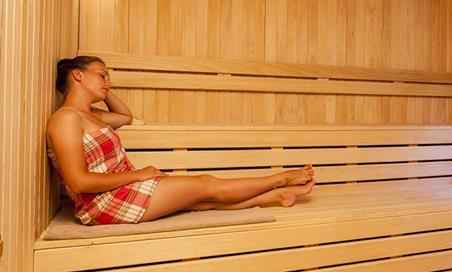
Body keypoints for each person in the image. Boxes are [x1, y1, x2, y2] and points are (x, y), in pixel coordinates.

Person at [46, 56, 315, 225]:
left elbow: (125, 116)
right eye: (102, 75)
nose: (108, 81)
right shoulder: (66, 119)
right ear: (78, 75)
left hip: (122, 189)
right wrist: (138, 175)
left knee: (201, 201)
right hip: (104, 202)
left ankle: (275, 195)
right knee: (206, 185)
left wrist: (104, 89)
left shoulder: (92, 115)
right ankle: (280, 179)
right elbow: (79, 182)